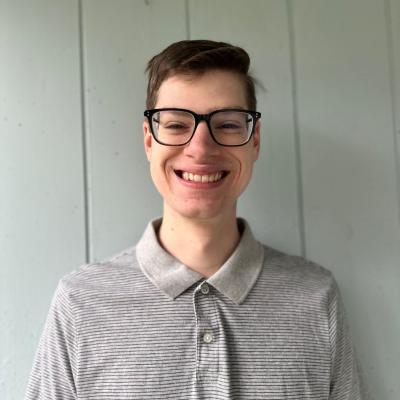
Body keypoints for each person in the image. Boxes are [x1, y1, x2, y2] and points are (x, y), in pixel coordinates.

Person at [25, 40, 363, 399]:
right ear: (149, 141)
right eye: (176, 124)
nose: (200, 149)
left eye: (227, 124)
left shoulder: (315, 297)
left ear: (255, 141)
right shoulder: (81, 302)